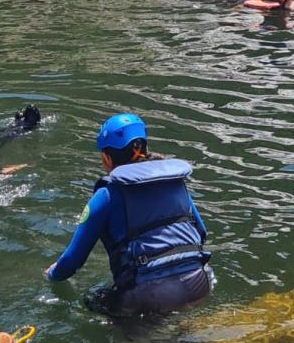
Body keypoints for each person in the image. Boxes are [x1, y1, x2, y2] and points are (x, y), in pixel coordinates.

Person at [45, 113, 212, 317]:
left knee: (93, 301)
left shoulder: (106, 195)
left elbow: (72, 261)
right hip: (198, 283)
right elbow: (201, 232)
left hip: (149, 297)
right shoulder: (176, 183)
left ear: (106, 158)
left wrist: (52, 275)